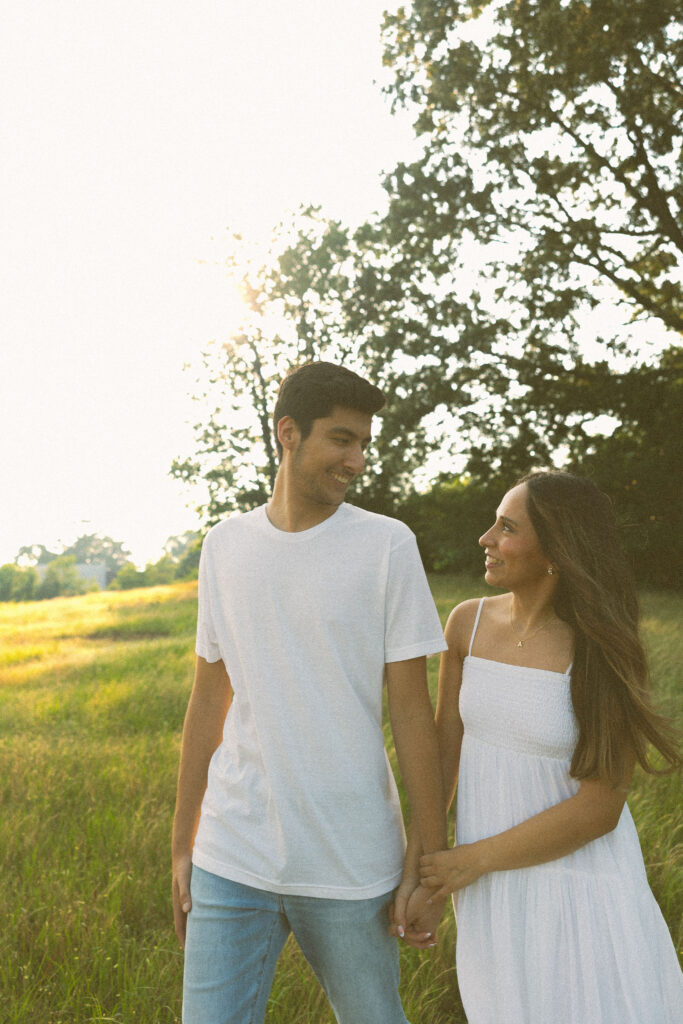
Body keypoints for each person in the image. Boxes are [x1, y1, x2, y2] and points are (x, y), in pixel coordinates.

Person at [171, 360, 447, 1024]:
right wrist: (183, 844)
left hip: (351, 861)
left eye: (362, 446)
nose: (355, 460)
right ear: (287, 433)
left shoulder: (385, 546)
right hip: (231, 855)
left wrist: (428, 861)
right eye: (341, 440)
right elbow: (209, 700)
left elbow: (412, 711)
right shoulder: (224, 546)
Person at [417, 470, 682, 1023]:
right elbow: (444, 759)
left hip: (580, 892)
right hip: (489, 892)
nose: (485, 538)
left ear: (557, 551)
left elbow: (599, 808)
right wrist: (425, 870)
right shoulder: (466, 625)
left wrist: (469, 862)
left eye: (506, 527)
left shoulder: (600, 648)